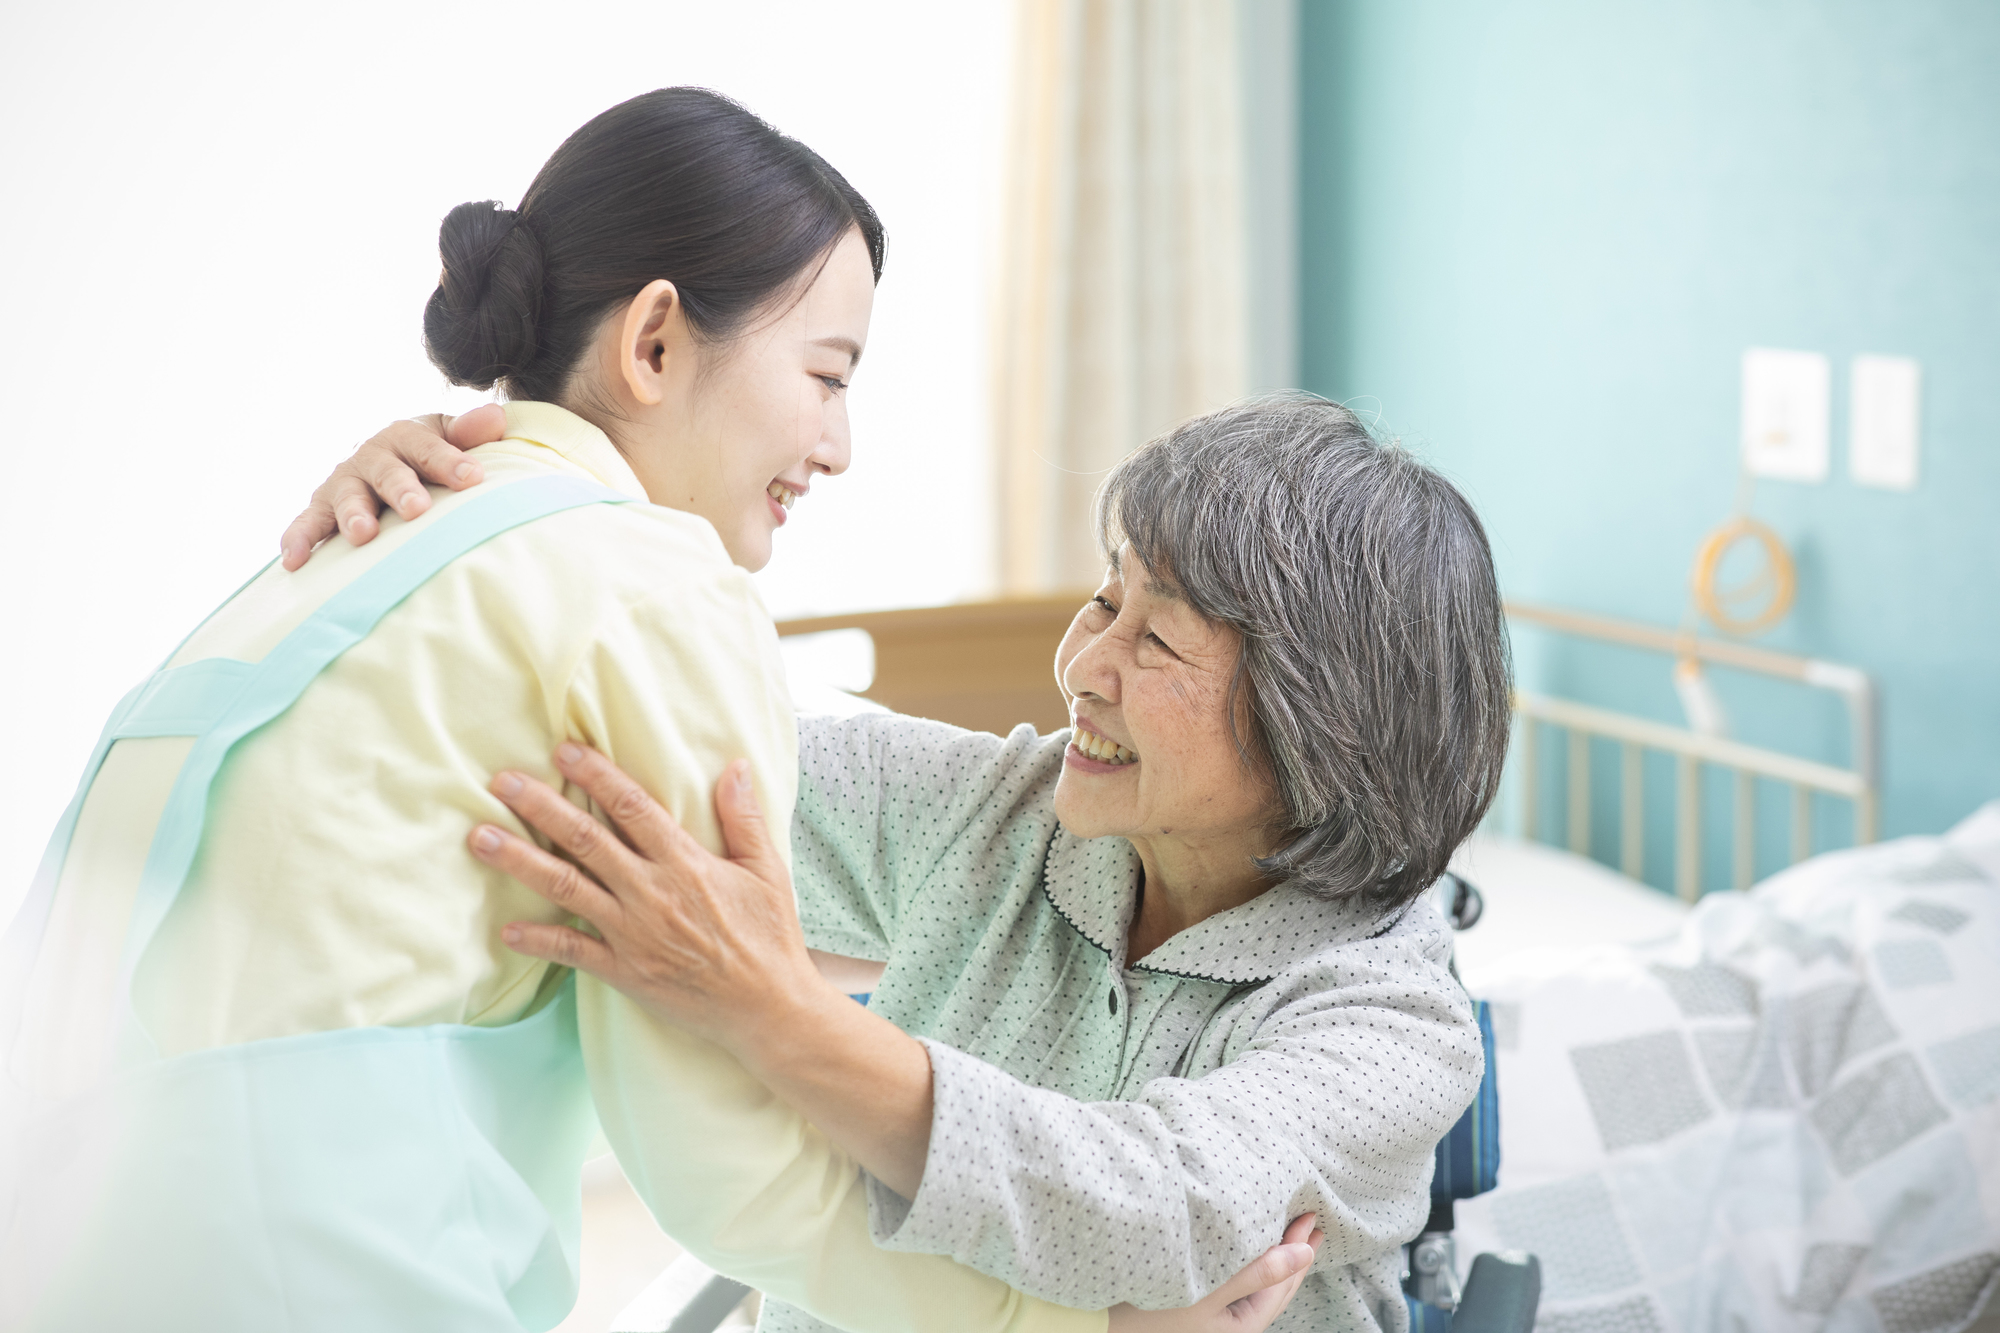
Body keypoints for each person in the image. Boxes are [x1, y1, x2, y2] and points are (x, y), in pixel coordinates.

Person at [0, 88, 1316, 1333]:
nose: (840, 444)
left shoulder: (353, 541)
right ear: (656, 341)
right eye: (828, 373)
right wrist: (1080, 1316)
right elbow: (728, 1168)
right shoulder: (654, 589)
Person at [292, 395, 1511, 1331]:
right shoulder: (1007, 813)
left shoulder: (1392, 1022)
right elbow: (651, 749)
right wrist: (472, 520)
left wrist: (772, 1010)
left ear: (1321, 717)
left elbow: (1153, 1206)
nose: (1083, 665)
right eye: (1103, 599)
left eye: (1160, 638)